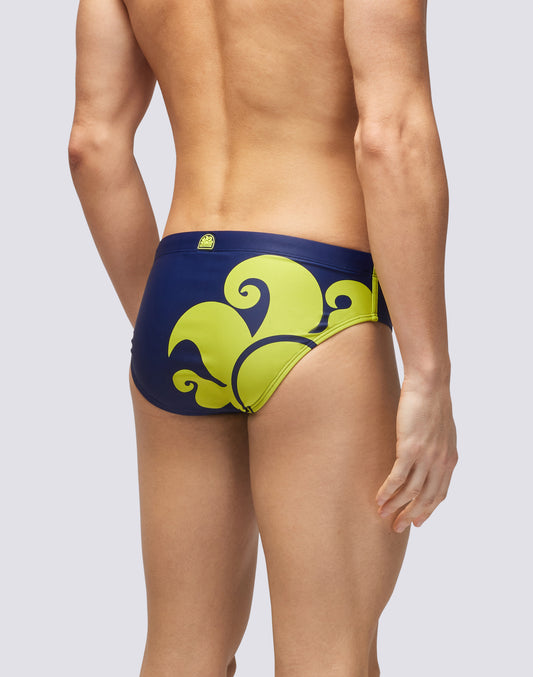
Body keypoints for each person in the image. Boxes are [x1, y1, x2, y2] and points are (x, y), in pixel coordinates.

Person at [68, 0, 458, 675]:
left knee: (181, 653)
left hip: (178, 291)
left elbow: (92, 146)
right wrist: (428, 373)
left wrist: (168, 325)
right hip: (314, 295)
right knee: (327, 657)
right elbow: (389, 135)